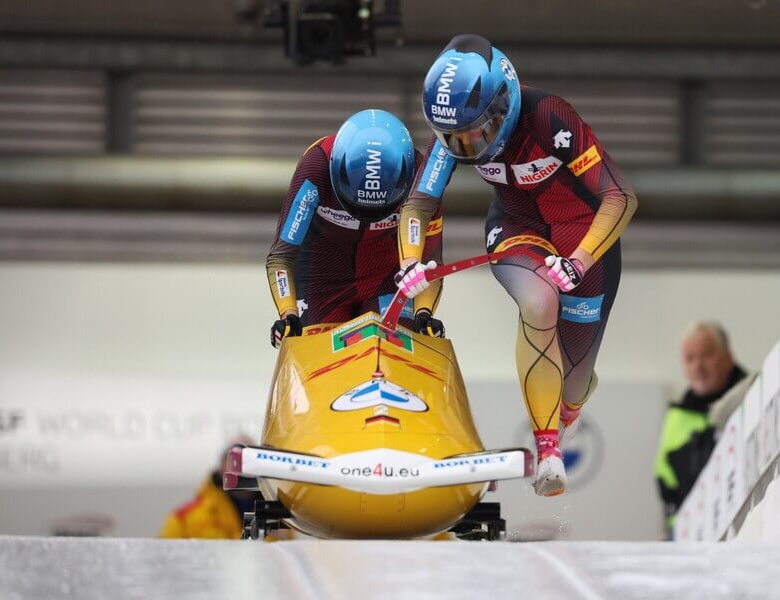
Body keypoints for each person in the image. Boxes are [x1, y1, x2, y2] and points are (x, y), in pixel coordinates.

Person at [394, 34, 638, 496]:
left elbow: (620, 197)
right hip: (515, 228)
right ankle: (548, 449)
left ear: (503, 107)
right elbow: (416, 206)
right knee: (539, 299)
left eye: (475, 134)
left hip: (585, 237)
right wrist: (410, 261)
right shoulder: (455, 132)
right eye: (453, 139)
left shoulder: (549, 116)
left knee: (576, 381)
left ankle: (566, 409)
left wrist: (581, 260)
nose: (464, 147)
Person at [266, 109, 444, 347]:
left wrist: (423, 313)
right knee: (318, 355)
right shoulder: (315, 167)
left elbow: (430, 260)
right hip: (321, 279)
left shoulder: (423, 178)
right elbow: (281, 256)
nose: (367, 218)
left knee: (393, 351)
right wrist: (288, 314)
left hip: (386, 276)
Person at [655, 321, 751, 534]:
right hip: (690, 535)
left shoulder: (754, 399)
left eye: (706, 355)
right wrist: (671, 533)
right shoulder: (676, 415)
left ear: (728, 357)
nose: (698, 366)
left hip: (746, 529)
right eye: (690, 358)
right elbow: (666, 483)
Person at [159, 438, 262, 539]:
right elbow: (165, 554)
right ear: (221, 466)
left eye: (249, 458)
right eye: (235, 459)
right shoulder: (183, 519)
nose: (242, 466)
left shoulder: (276, 517)